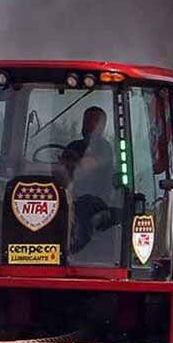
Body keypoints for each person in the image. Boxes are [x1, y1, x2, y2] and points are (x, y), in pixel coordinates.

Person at [63, 106, 116, 252]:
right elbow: (61, 170)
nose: (88, 125)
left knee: (82, 208)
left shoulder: (104, 147)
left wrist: (71, 165)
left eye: (94, 121)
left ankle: (74, 249)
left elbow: (85, 166)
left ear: (102, 126)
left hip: (96, 200)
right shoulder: (74, 146)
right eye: (87, 120)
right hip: (69, 196)